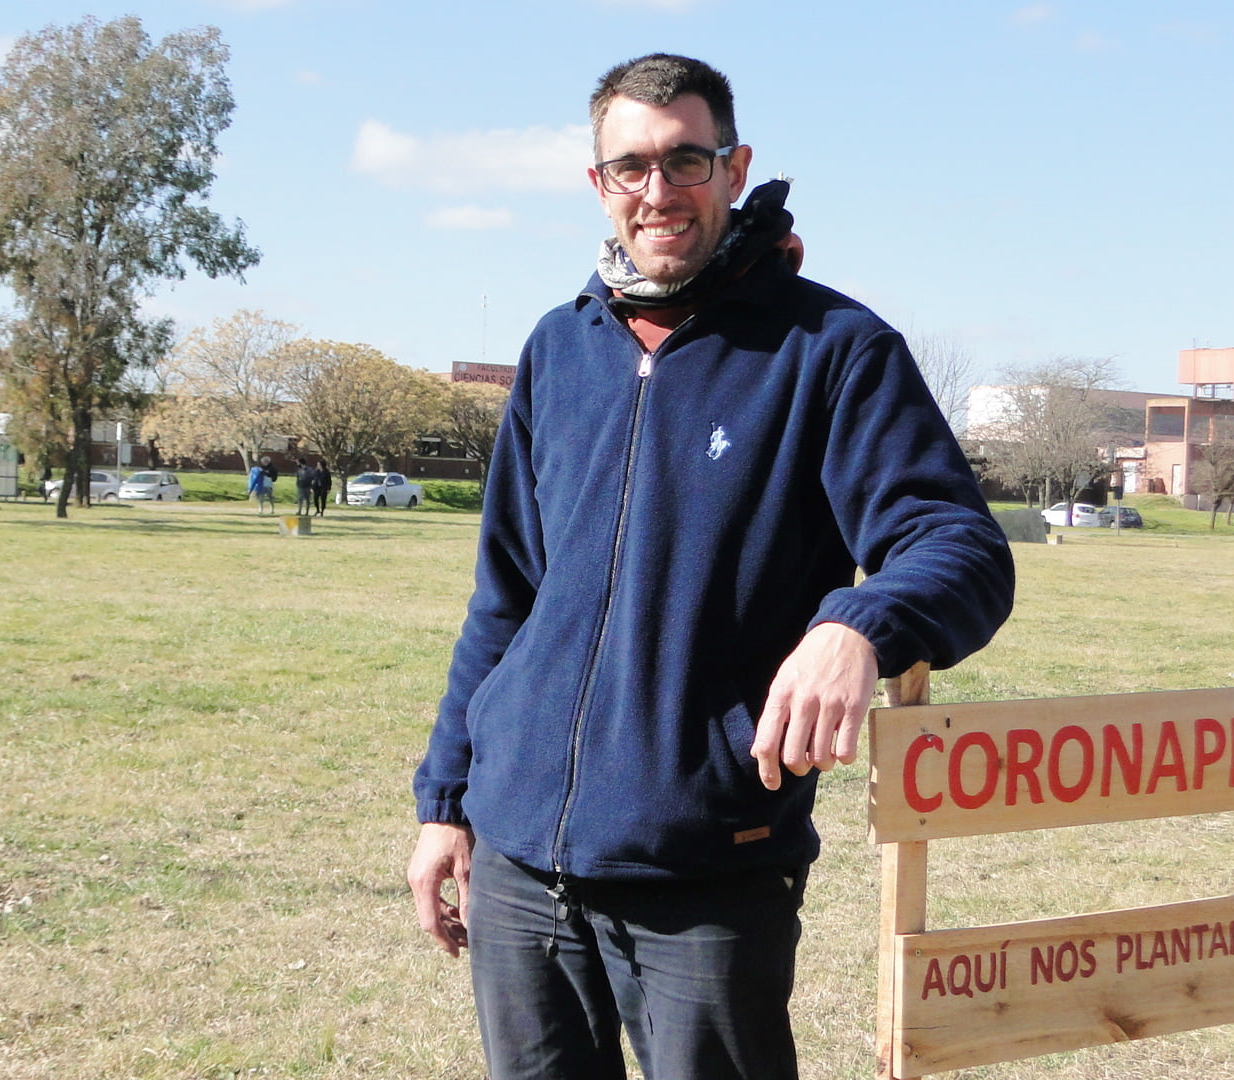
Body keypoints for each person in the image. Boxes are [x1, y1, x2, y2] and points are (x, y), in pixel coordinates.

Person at [405, 54, 1014, 1080]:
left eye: (686, 159)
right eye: (630, 166)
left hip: (707, 869)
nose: (659, 190)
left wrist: (855, 624)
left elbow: (959, 544)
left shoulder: (832, 349)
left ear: (734, 167)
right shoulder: (559, 350)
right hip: (516, 867)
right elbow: (505, 597)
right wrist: (446, 803)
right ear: (598, 184)